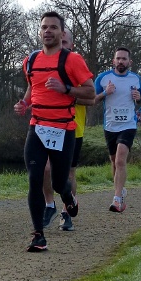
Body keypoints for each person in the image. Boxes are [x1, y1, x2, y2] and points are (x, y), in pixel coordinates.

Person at [14, 12, 94, 252]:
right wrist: (25, 103)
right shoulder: (30, 60)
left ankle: (68, 197)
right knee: (35, 178)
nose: (48, 31)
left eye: (53, 27)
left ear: (61, 32)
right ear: (39, 31)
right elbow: (33, 87)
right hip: (37, 127)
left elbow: (90, 93)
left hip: (63, 130)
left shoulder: (73, 60)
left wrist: (66, 88)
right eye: (44, 27)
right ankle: (38, 235)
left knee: (59, 182)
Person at [42, 30, 94, 232]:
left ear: (71, 45)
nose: (60, 45)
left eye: (64, 42)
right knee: (45, 169)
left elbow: (91, 98)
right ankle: (49, 205)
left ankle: (66, 212)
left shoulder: (76, 65)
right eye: (59, 42)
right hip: (48, 126)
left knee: (69, 173)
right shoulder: (44, 64)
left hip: (73, 128)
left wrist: (67, 92)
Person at [94, 47, 141, 212]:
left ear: (130, 62)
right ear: (113, 61)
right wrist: (105, 93)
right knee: (114, 161)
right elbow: (92, 100)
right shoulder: (103, 78)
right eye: (118, 58)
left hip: (128, 125)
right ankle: (120, 190)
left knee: (120, 160)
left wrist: (139, 98)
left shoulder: (135, 78)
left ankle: (117, 200)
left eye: (124, 59)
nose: (121, 61)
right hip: (110, 126)